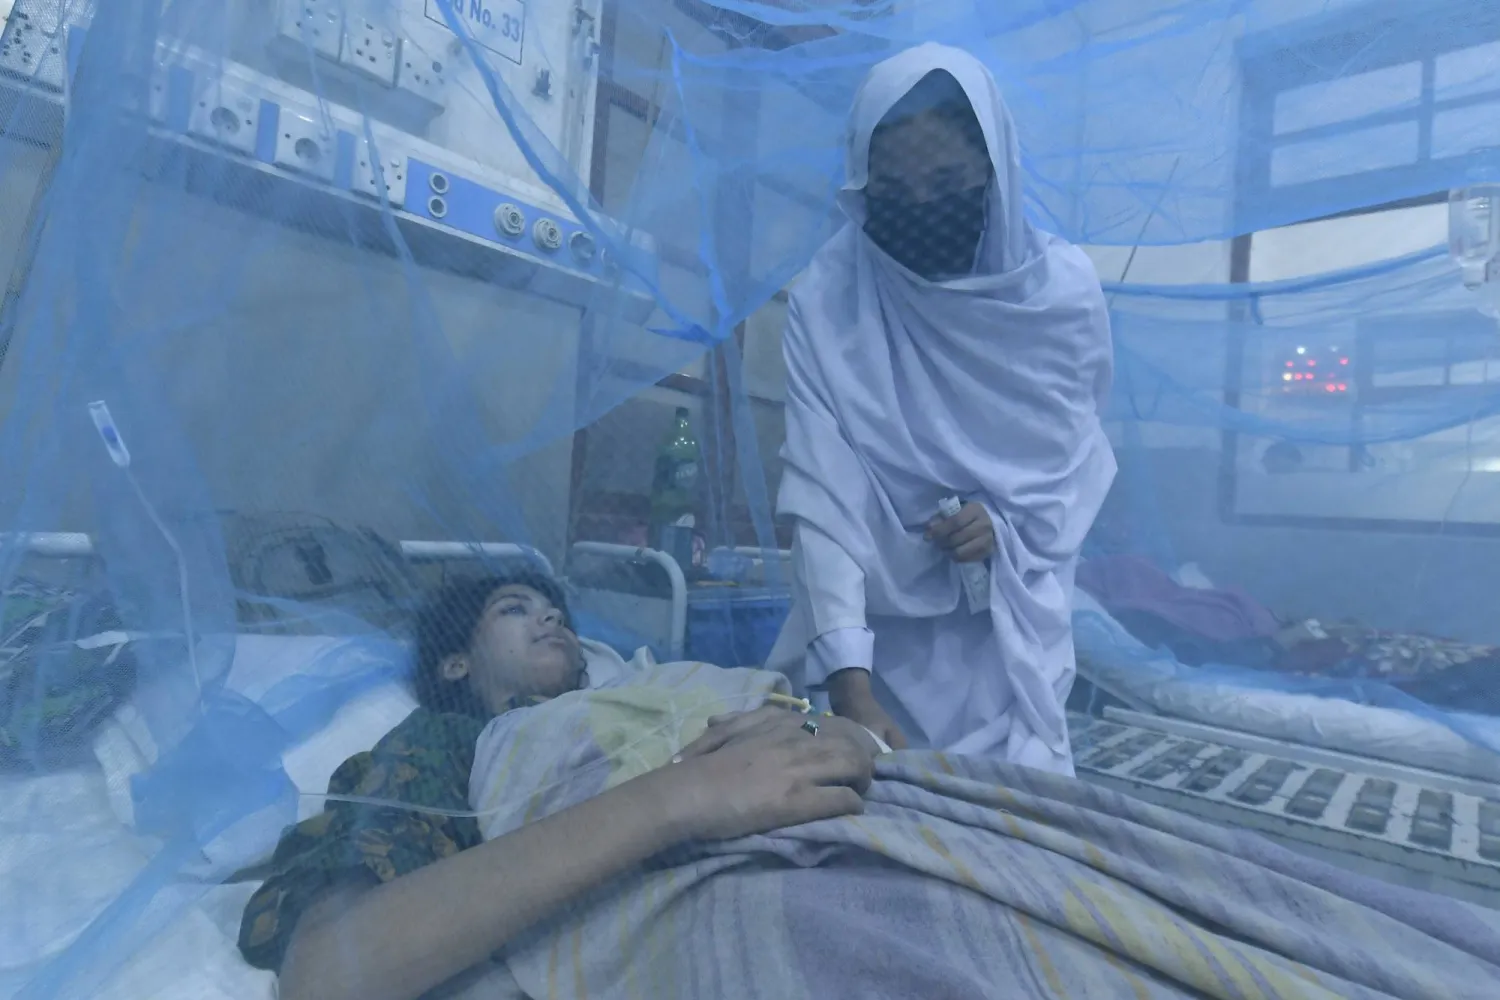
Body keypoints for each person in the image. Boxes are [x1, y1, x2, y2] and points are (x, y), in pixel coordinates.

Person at [239, 566, 878, 1000]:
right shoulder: (446, 741)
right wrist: (689, 794)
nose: (550, 619)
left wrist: (836, 734)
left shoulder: (643, 686)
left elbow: (799, 732)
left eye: (555, 612)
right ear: (456, 662)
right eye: (515, 610)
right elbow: (328, 968)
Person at [766, 43, 1116, 773]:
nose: (923, 207)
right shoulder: (831, 299)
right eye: (895, 189)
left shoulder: (1057, 298)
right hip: (867, 651)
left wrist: (1008, 527)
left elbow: (1066, 470)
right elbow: (823, 504)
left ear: (994, 172)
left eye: (948, 181)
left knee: (1012, 828)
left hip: (1006, 644)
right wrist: (851, 689)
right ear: (864, 186)